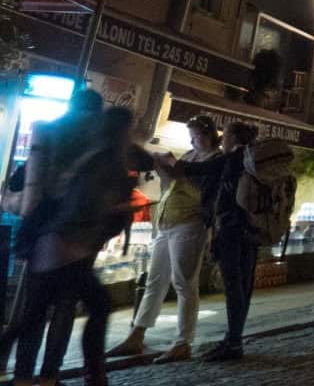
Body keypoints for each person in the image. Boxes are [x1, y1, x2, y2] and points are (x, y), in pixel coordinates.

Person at [7, 106, 135, 386]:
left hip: (54, 243)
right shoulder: (105, 160)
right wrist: (112, 208)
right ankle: (92, 375)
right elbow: (82, 203)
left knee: (35, 313)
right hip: (68, 246)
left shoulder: (84, 152)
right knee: (94, 306)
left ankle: (32, 376)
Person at [0, 87, 105, 385]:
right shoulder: (94, 144)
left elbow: (20, 184)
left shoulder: (48, 134)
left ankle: (23, 374)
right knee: (65, 308)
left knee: (33, 309)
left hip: (40, 235)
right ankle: (51, 374)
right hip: (76, 239)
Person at [108, 115, 221, 363]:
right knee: (155, 281)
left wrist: (178, 174)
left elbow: (205, 194)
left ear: (210, 134)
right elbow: (172, 185)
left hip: (191, 222)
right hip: (167, 221)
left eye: (198, 136)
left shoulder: (216, 160)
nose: (194, 141)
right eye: (191, 136)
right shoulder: (190, 157)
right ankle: (136, 335)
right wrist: (165, 169)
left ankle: (183, 342)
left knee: (184, 282)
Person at [166, 122, 259, 362]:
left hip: (231, 229)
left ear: (234, 137)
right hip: (253, 230)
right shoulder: (253, 160)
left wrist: (165, 161)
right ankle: (235, 338)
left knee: (233, 286)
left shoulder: (231, 159)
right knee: (244, 286)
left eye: (226, 134)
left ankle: (233, 342)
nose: (222, 138)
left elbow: (198, 169)